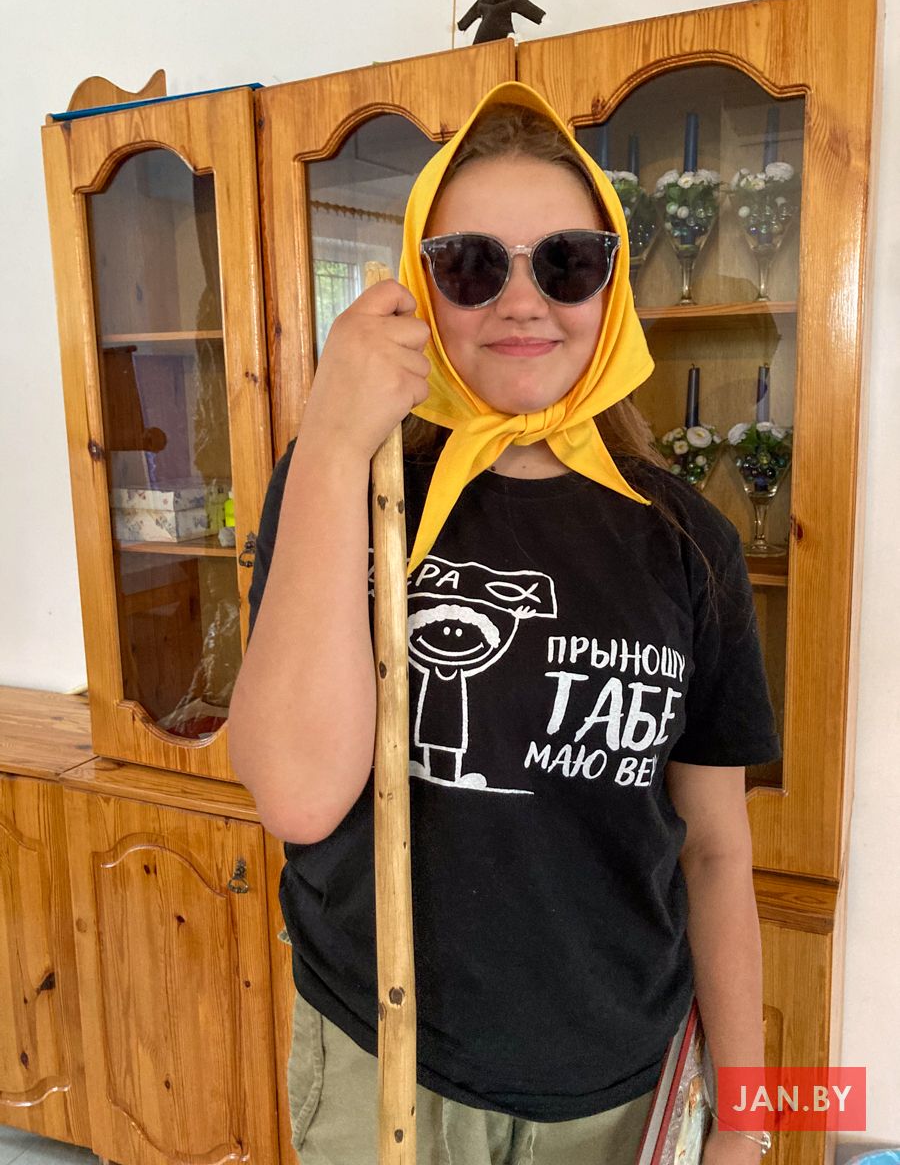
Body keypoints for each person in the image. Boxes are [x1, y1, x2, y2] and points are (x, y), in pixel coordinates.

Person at [227, 81, 780, 1165]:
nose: (523, 303)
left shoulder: (689, 543)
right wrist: (334, 440)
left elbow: (716, 851)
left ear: (611, 285)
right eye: (474, 266)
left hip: (615, 1087)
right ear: (421, 287)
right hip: (386, 1061)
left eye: (566, 262)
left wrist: (748, 1120)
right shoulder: (357, 486)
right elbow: (295, 795)